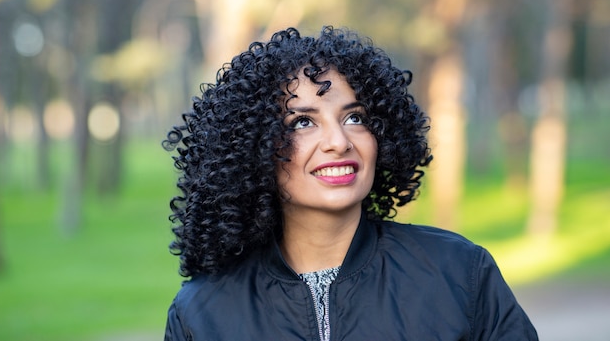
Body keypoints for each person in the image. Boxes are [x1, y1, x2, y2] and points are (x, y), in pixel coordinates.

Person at [162, 26, 538, 340]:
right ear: (253, 149)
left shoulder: (459, 273)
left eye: (355, 118)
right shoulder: (201, 314)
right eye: (303, 122)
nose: (339, 142)